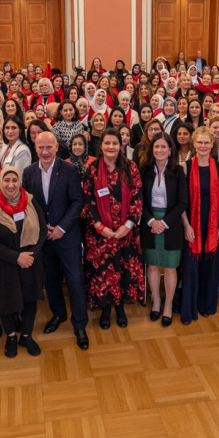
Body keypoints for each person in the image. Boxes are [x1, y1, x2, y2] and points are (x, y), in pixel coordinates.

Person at [25, 131, 89, 347]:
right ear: (35, 148)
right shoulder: (28, 172)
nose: (44, 151)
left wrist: (61, 227)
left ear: (56, 147)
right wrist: (44, 229)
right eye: (40, 147)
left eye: (48, 147)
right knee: (50, 280)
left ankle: (80, 325)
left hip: (67, 235)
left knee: (75, 280)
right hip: (43, 238)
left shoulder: (69, 169)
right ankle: (58, 314)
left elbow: (77, 201)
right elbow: (29, 205)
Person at [0, 166, 46, 358]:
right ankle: (10, 336)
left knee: (30, 299)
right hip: (4, 264)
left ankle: (26, 335)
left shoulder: (31, 201)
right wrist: (16, 257)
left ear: (19, 182)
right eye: (6, 180)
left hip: (30, 261)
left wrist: (30, 255)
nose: (11, 185)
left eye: (14, 180)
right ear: (1, 182)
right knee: (7, 300)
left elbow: (42, 231)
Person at [82, 131, 144, 329]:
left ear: (121, 145)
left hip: (125, 233)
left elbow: (137, 198)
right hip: (100, 235)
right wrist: (100, 227)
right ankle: (106, 310)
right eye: (107, 143)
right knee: (103, 273)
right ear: (100, 146)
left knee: (122, 270)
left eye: (114, 143)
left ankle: (120, 309)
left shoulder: (131, 167)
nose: (111, 147)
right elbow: (88, 201)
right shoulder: (91, 169)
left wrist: (127, 226)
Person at [179, 127, 219, 323]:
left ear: (213, 145)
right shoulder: (185, 166)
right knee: (191, 267)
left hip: (213, 222)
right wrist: (186, 226)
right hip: (192, 223)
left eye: (207, 143)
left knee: (210, 265)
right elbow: (181, 201)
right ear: (194, 144)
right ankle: (189, 309)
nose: (203, 146)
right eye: (199, 142)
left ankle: (206, 305)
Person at [140, 131, 186, 327]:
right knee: (152, 265)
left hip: (171, 223)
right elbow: (138, 200)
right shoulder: (144, 169)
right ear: (152, 150)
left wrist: (164, 222)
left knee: (169, 267)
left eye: (163, 147)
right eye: (156, 146)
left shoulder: (178, 171)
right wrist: (152, 221)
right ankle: (156, 301)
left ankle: (168, 304)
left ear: (170, 150)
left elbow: (183, 203)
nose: (159, 150)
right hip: (149, 223)